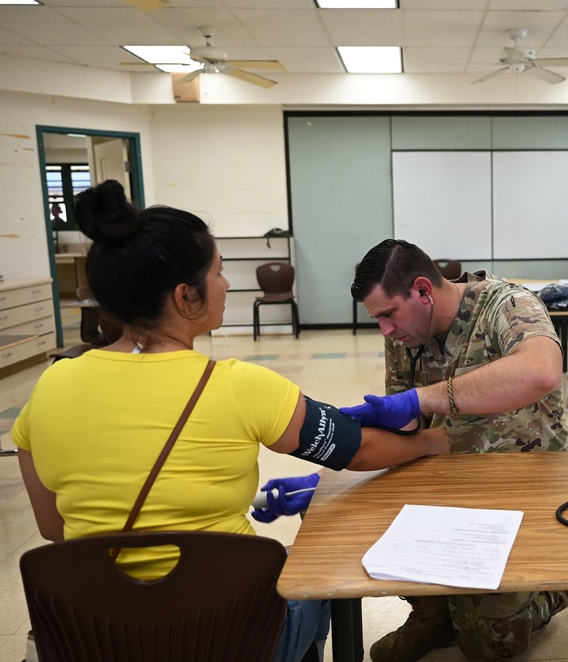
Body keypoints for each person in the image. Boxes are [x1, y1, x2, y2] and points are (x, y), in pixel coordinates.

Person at [12, 180, 449, 662]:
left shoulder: (50, 387)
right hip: (232, 637)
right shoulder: (238, 386)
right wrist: (430, 442)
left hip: (100, 640)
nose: (226, 284)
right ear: (186, 296)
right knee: (320, 568)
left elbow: (55, 530)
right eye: (218, 272)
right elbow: (357, 449)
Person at [344, 239, 568, 662]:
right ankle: (434, 615)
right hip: (447, 474)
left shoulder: (507, 305)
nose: (386, 330)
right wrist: (332, 458)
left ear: (422, 290)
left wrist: (424, 399)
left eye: (387, 314)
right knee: (364, 515)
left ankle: (563, 582)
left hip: (521, 482)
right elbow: (407, 430)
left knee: (489, 646)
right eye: (377, 319)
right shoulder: (404, 333)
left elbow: (541, 371)